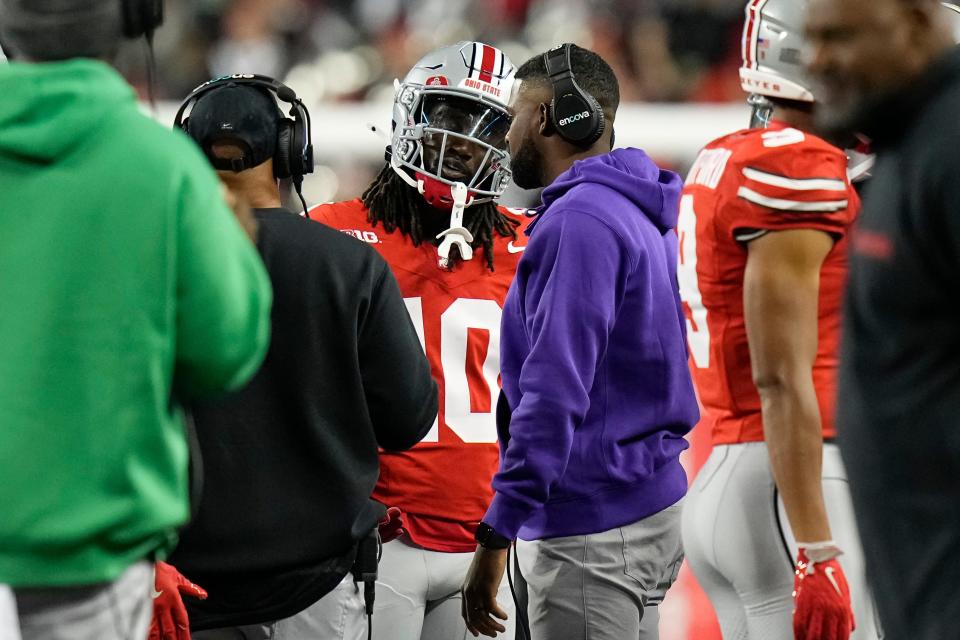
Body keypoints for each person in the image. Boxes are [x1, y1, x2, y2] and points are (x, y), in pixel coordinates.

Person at [0, 1, 273, 639]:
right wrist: (238, 256)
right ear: (132, 18)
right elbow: (225, 351)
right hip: (92, 563)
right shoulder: (164, 167)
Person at [158, 76, 438, 639]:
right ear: (293, 154)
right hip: (317, 587)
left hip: (185, 591)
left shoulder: (150, 264)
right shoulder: (350, 265)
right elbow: (408, 420)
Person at [462, 43, 699, 640]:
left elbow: (554, 390)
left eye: (515, 113)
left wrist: (498, 531)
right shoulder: (631, 206)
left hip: (592, 528)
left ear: (547, 117)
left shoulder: (582, 220)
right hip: (645, 505)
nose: (507, 132)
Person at [677, 1, 886, 639]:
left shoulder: (726, 153)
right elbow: (780, 375)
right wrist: (818, 549)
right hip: (796, 481)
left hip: (734, 470)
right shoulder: (799, 166)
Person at [309, 42, 529, 640]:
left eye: (486, 125)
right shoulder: (334, 232)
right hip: (381, 534)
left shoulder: (531, 244)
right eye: (451, 115)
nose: (465, 140)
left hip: (490, 537)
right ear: (411, 113)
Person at [805, 1, 960, 638]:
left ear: (919, 25)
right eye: (812, 40)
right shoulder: (909, 141)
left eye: (840, 38)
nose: (817, 62)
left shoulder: (949, 149)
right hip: (920, 582)